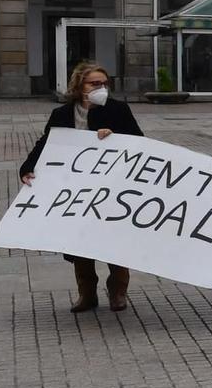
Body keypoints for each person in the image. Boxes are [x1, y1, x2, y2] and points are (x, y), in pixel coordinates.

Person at [19, 61, 143, 313]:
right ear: (79, 86)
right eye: (95, 83)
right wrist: (27, 168)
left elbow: (138, 142)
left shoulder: (118, 109)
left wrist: (114, 136)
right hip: (76, 190)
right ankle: (87, 294)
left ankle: (118, 291)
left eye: (104, 83)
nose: (101, 87)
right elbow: (47, 144)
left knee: (113, 241)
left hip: (111, 188)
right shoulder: (62, 114)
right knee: (79, 242)